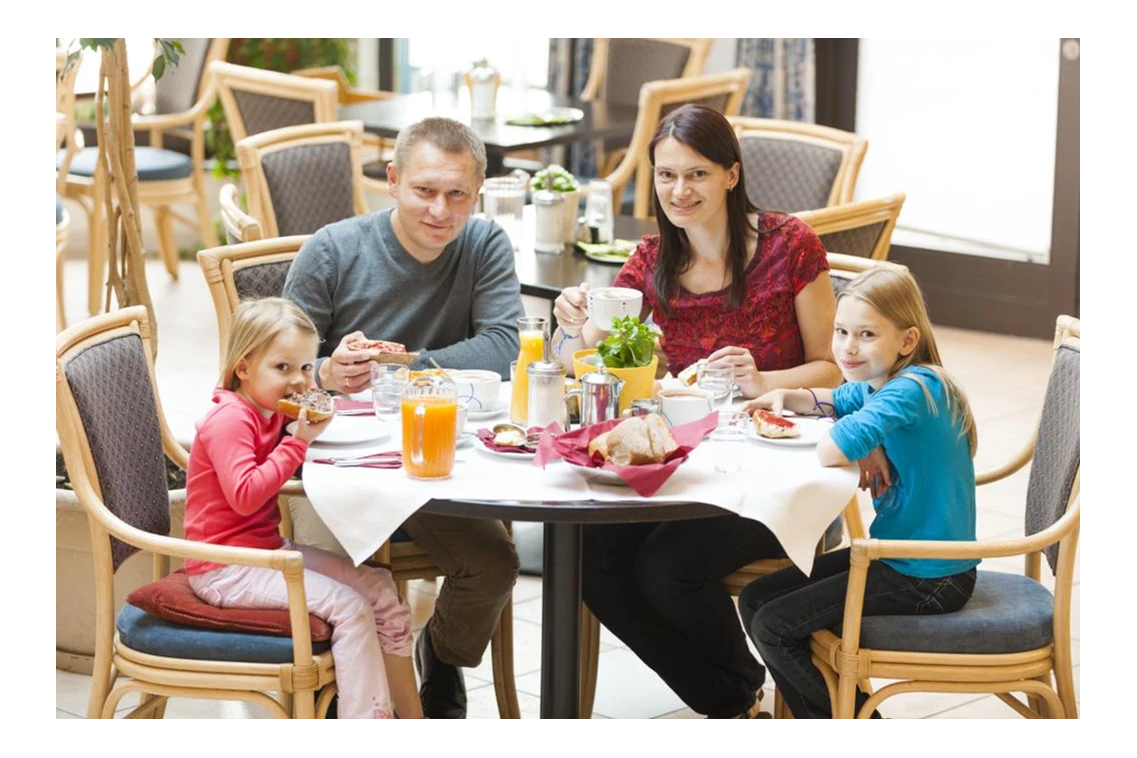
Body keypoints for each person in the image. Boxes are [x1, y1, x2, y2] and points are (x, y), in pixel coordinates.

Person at [550, 104, 843, 719]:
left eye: (698, 174)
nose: (679, 191)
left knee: (666, 568)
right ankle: (734, 695)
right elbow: (588, 358)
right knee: (592, 564)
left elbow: (833, 367)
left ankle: (733, 696)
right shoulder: (650, 265)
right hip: (685, 469)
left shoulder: (790, 245)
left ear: (731, 175)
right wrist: (572, 325)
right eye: (665, 175)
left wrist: (763, 379)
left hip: (776, 471)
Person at [282, 117, 523, 719]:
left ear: (478, 192)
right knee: (351, 593)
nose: (440, 210)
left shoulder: (484, 244)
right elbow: (264, 371)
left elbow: (503, 345)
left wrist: (400, 369)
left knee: (493, 564)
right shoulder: (333, 250)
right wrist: (324, 376)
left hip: (440, 462)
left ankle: (438, 657)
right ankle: (347, 693)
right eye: (424, 190)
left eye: (457, 194)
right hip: (343, 466)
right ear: (392, 181)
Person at [738, 267, 980, 719]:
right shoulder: (887, 380)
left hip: (928, 576)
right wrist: (785, 397)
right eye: (841, 331)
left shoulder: (911, 388)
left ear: (907, 341)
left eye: (866, 334)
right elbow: (831, 400)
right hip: (899, 558)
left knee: (774, 626)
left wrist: (864, 440)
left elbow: (831, 448)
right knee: (756, 599)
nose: (848, 347)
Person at [183, 298, 422, 720]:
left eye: (307, 367)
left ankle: (408, 711)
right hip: (225, 567)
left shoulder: (269, 409)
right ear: (243, 368)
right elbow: (245, 494)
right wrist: (299, 441)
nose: (299, 380)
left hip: (265, 553)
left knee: (381, 590)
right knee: (351, 607)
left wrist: (299, 430)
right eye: (283, 368)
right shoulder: (231, 420)